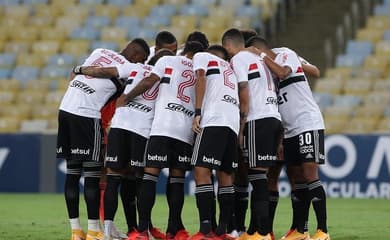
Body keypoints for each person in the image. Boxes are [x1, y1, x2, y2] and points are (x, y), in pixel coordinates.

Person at [73, 49, 175, 240]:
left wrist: (79, 69)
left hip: (119, 125)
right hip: (142, 129)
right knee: (141, 179)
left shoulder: (134, 67)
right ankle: (142, 230)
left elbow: (105, 71)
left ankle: (109, 230)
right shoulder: (167, 77)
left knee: (113, 178)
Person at [57, 38, 150, 240]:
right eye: (142, 60)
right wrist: (80, 70)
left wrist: (78, 69)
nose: (142, 64)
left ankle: (76, 231)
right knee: (93, 175)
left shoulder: (99, 50)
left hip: (65, 109)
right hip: (87, 115)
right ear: (137, 56)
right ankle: (93, 231)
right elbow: (106, 72)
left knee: (72, 174)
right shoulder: (129, 66)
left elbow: (87, 72)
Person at [117, 41, 205, 240]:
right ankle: (175, 230)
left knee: (150, 176)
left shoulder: (167, 60)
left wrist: (127, 97)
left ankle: (141, 231)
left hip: (163, 125)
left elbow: (149, 82)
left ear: (186, 51)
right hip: (185, 129)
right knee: (177, 179)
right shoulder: (202, 70)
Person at [247, 38, 329, 240]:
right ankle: (300, 230)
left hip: (307, 123)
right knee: (296, 177)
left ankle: (323, 231)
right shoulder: (267, 71)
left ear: (259, 49)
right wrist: (281, 138)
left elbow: (285, 72)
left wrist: (262, 55)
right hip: (289, 130)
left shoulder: (285, 54)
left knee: (310, 174)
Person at [222, 29, 283, 240]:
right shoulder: (258, 58)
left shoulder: (238, 59)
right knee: (261, 177)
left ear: (229, 46)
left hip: (258, 119)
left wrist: (241, 124)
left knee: (257, 179)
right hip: (274, 117)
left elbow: (244, 90)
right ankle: (254, 231)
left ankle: (262, 233)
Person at [189, 44, 248, 240]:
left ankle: (206, 231)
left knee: (201, 171)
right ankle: (224, 230)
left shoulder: (203, 57)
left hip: (213, 120)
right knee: (225, 177)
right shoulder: (231, 69)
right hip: (231, 124)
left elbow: (200, 79)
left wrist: (197, 112)